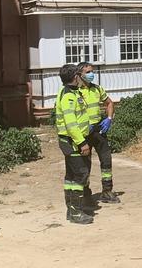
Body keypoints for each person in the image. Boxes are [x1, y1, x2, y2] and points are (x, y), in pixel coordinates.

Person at [55, 63, 94, 225]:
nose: (81, 77)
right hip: (72, 141)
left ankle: (71, 210)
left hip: (72, 140)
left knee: (71, 176)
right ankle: (76, 212)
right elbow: (71, 124)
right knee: (81, 174)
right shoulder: (68, 96)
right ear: (75, 77)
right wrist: (82, 142)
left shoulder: (71, 92)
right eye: (79, 75)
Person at [78, 62, 120, 204]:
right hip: (84, 132)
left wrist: (109, 118)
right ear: (80, 74)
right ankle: (85, 193)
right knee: (85, 163)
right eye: (88, 72)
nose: (91, 74)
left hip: (98, 130)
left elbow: (109, 103)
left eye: (92, 71)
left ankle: (107, 191)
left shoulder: (97, 89)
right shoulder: (76, 92)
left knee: (106, 159)